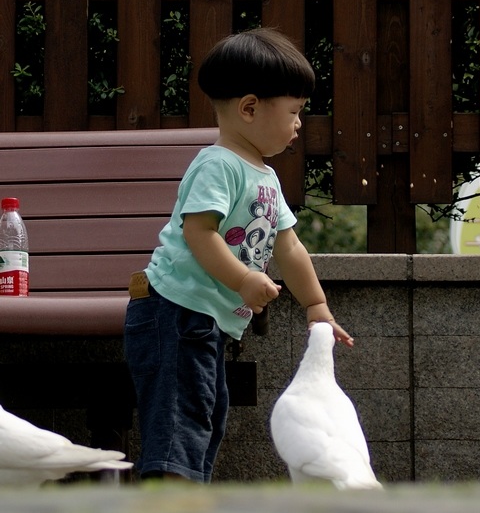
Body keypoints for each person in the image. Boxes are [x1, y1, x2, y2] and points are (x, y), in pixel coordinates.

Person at [124, 27, 353, 483]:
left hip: (204, 321)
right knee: (180, 423)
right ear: (249, 108)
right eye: (293, 111)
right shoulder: (218, 164)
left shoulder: (264, 176)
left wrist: (316, 306)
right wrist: (243, 280)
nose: (298, 124)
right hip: (173, 313)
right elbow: (199, 233)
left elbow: (289, 246)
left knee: (205, 420)